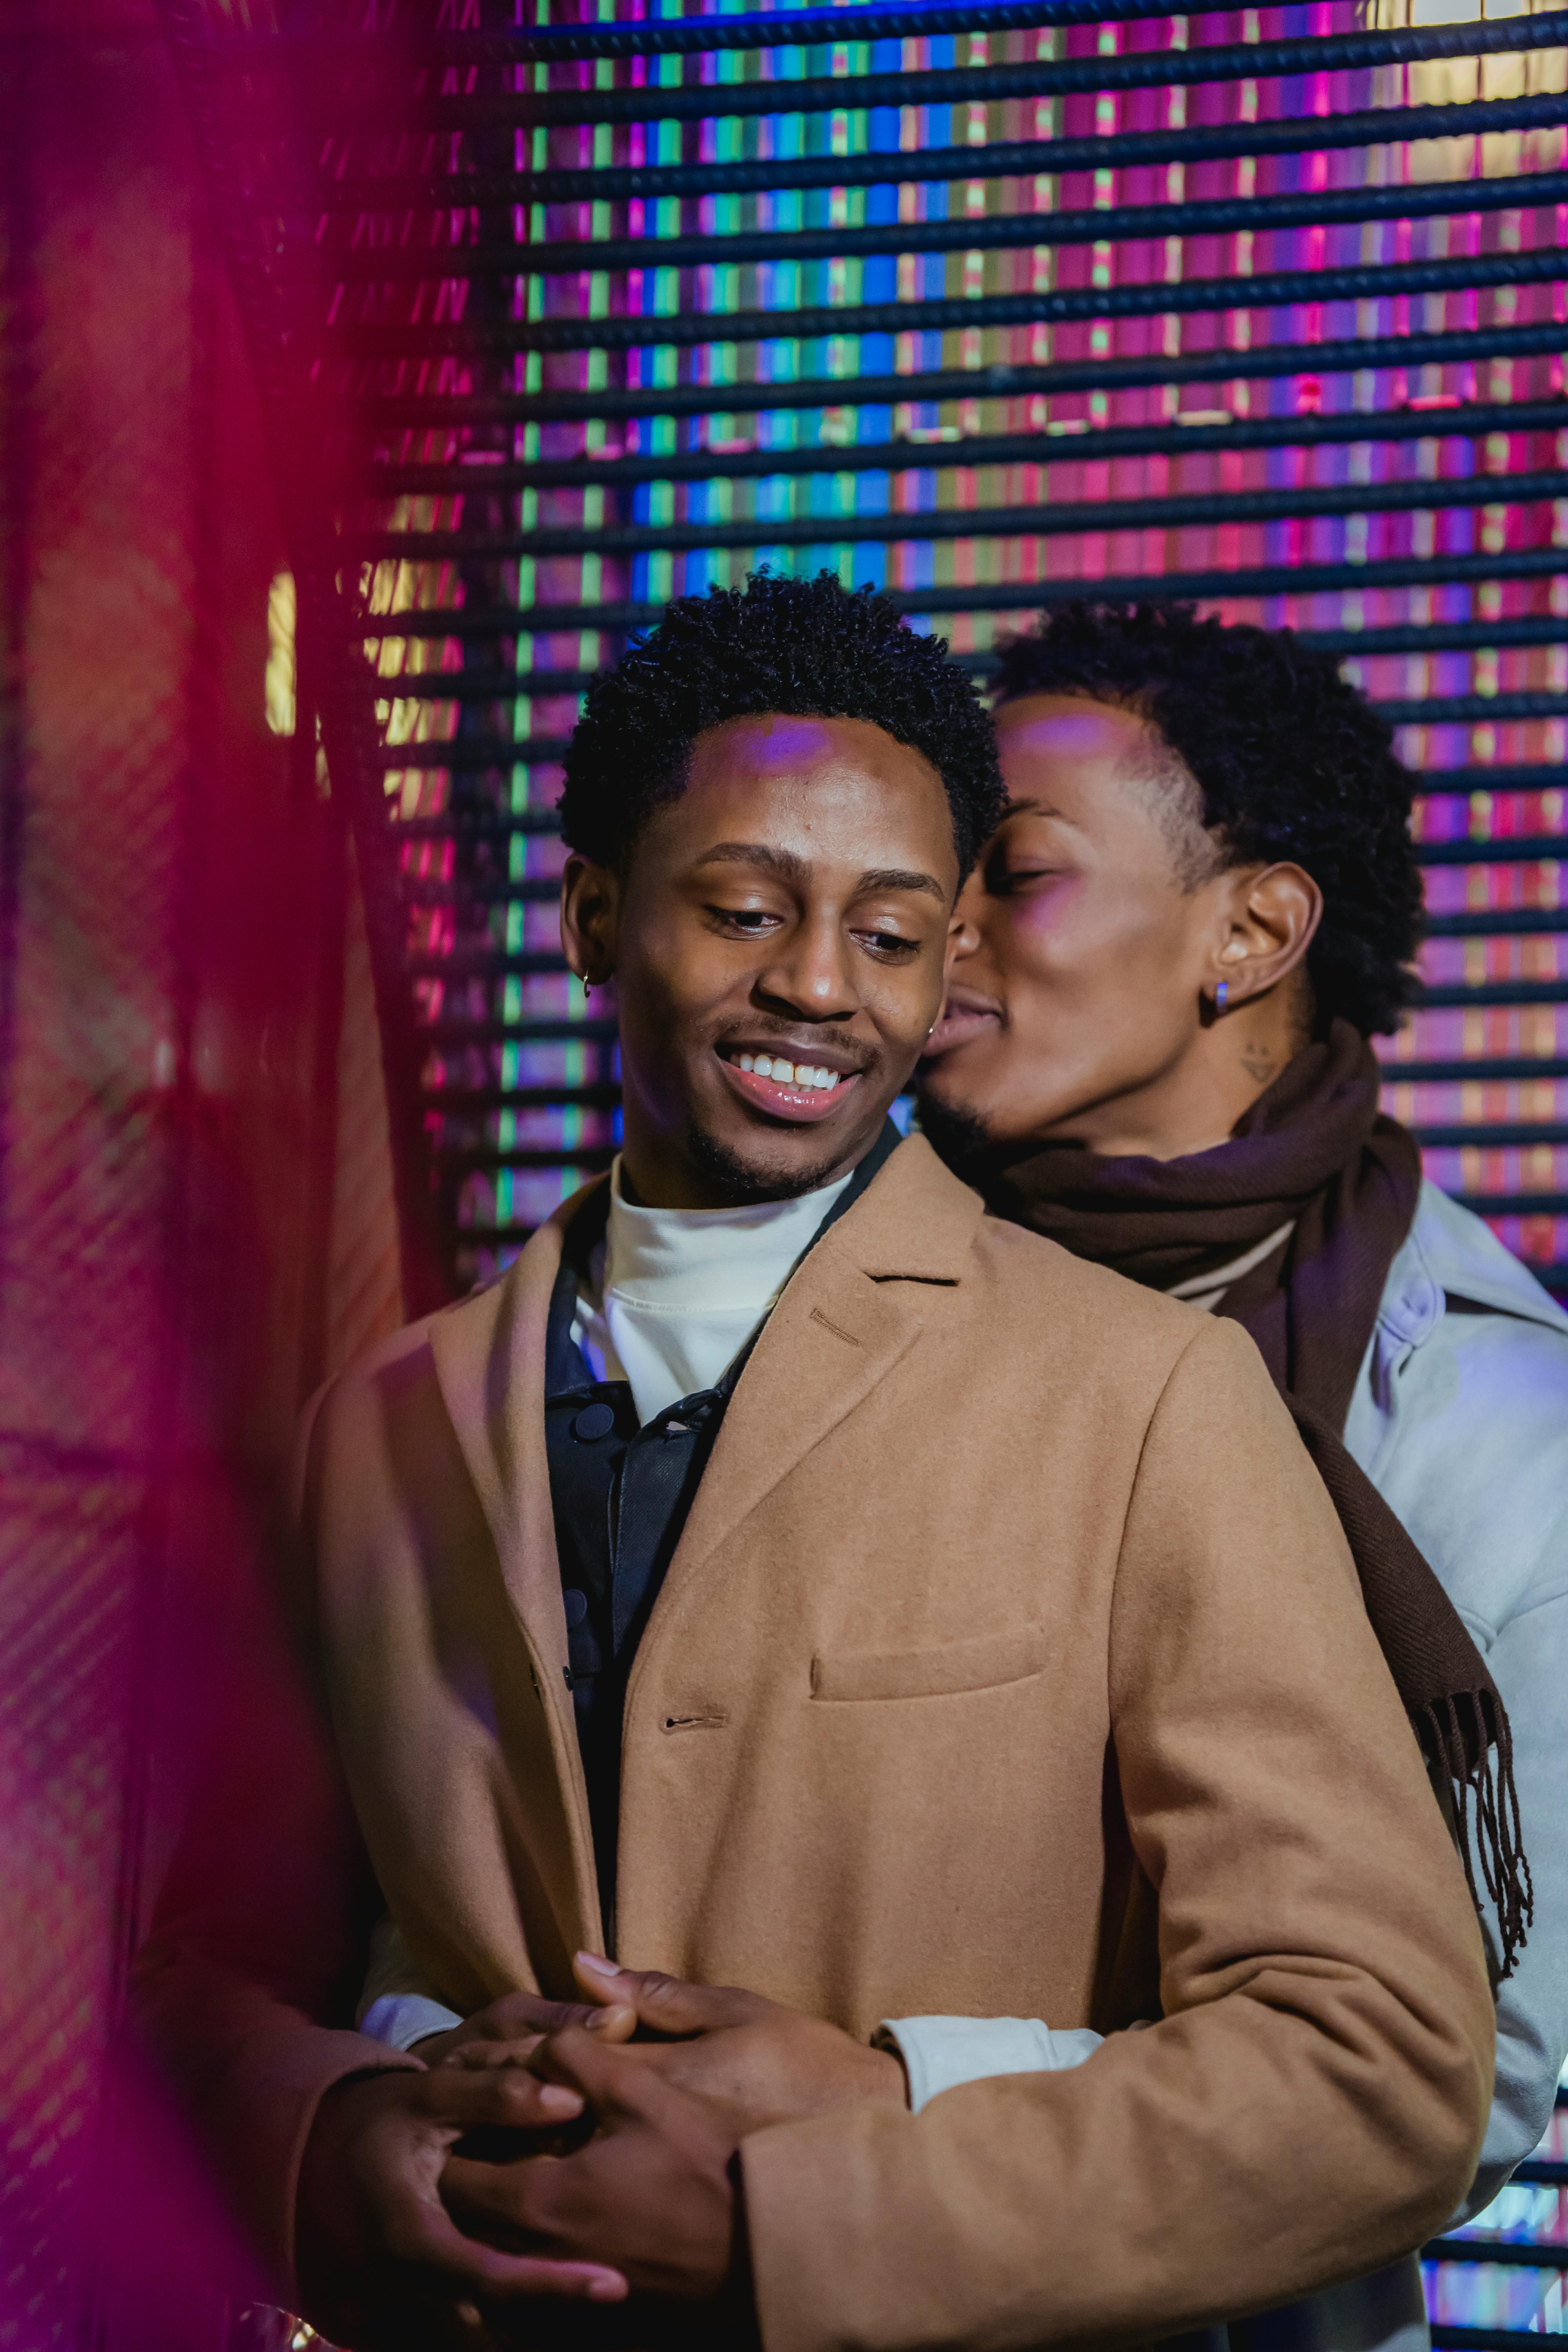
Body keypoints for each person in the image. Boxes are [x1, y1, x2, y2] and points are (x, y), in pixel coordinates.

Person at [135, 574, 1495, 2352]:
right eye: (744, 908)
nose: (814, 987)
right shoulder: (379, 1423)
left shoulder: (1150, 1399)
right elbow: (207, 1981)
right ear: (593, 915)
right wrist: (333, 2138)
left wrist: (810, 2221)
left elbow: (1378, 2064)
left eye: (889, 932)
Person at [914, 597, 1568, 2352]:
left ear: (1254, 928)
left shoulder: (1495, 1421)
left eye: (1017, 873)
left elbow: (1461, 2077)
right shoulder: (829, 1295)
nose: (937, 929)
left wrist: (866, 2105)